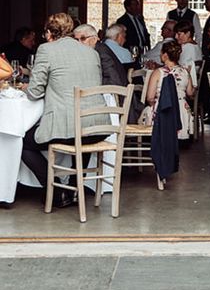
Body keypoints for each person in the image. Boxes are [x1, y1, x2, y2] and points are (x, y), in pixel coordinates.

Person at [21, 13, 105, 208]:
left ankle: (56, 190)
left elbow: (34, 92)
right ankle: (76, 188)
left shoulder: (46, 50)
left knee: (23, 141)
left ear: (49, 33)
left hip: (68, 127)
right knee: (81, 130)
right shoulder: (91, 52)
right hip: (98, 125)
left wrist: (27, 87)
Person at [74, 23, 143, 123]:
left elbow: (114, 81)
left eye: (83, 38)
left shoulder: (100, 53)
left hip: (117, 104)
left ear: (94, 39)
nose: (79, 43)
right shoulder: (96, 50)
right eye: (76, 40)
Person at [143, 39, 194, 140]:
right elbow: (190, 93)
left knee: (146, 110)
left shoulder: (158, 73)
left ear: (165, 55)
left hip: (164, 109)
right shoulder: (185, 72)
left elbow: (150, 97)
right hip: (181, 111)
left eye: (161, 53)